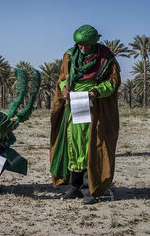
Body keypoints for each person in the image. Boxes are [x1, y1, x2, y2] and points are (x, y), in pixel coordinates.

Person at [50, 25, 121, 204]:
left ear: (94, 42)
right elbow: (61, 79)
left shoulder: (106, 58)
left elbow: (112, 83)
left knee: (91, 144)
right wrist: (63, 89)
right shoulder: (69, 56)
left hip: (94, 107)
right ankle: (73, 186)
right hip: (73, 106)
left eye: (87, 45)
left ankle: (89, 188)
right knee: (73, 144)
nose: (83, 48)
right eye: (80, 45)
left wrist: (96, 91)